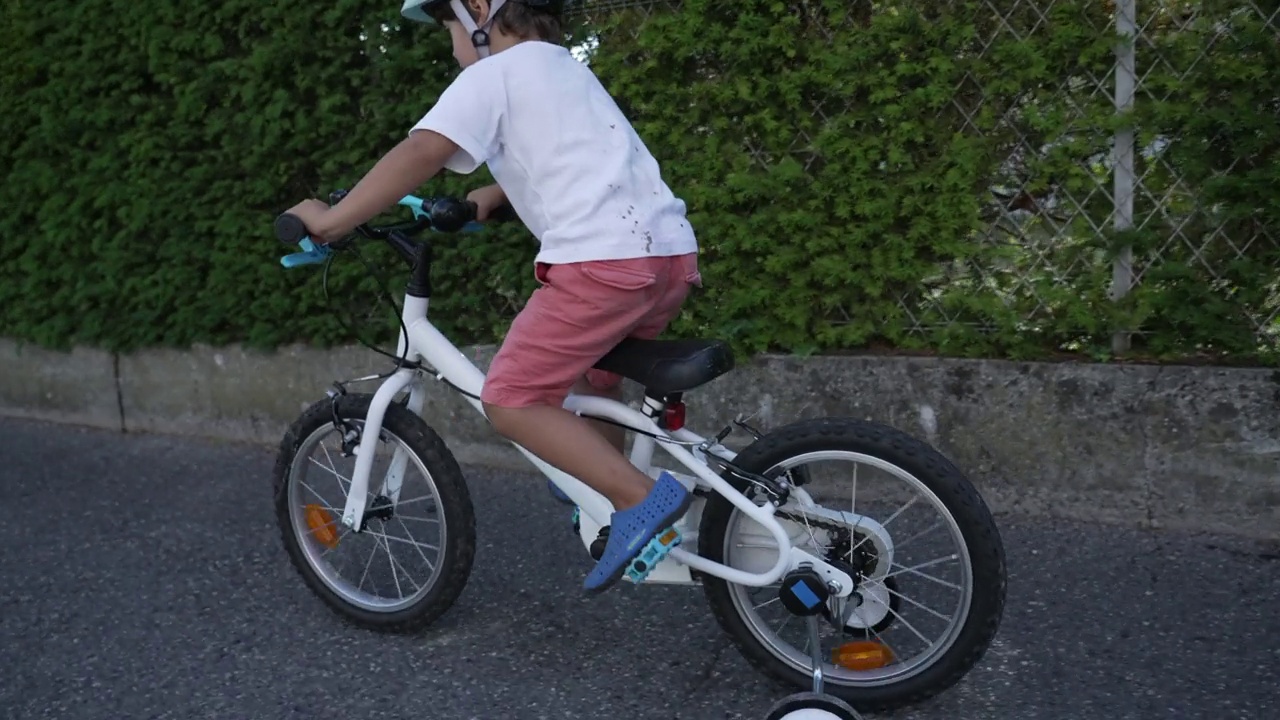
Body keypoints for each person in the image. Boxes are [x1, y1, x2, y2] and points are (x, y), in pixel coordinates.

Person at [282, 0, 702, 594]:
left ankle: (639, 501)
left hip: (600, 263)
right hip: (668, 257)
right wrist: (484, 199)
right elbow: (567, 156)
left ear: (479, 10)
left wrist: (330, 223)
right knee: (590, 378)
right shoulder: (564, 67)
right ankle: (600, 488)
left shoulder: (490, 74)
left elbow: (421, 152)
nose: (450, 42)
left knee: (511, 398)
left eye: (448, 26)